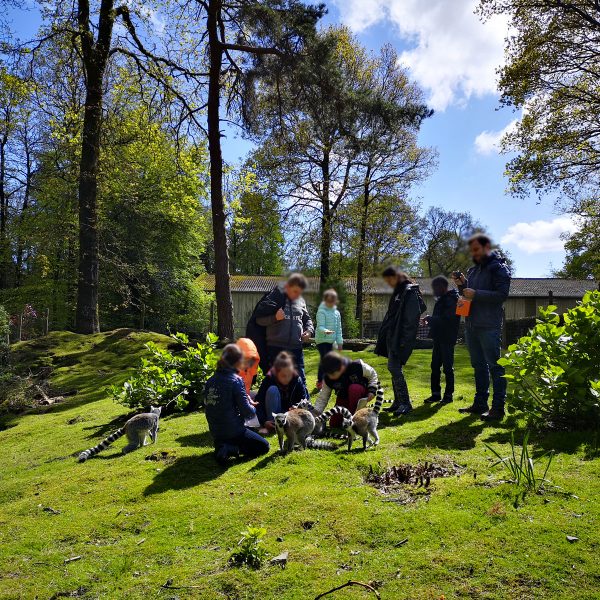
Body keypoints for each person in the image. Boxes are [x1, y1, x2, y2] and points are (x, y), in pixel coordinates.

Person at [453, 233, 511, 422]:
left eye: (477, 249)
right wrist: (463, 286)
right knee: (478, 365)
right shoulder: (473, 270)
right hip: (472, 324)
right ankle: (480, 403)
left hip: (489, 325)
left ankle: (498, 408)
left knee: (495, 366)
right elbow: (469, 295)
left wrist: (476, 293)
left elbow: (502, 295)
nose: (474, 253)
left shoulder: (499, 268)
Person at [203, 344, 269, 466]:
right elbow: (248, 413)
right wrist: (252, 406)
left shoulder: (210, 380)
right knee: (264, 446)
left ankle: (222, 445)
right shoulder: (235, 380)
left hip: (215, 431)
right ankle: (230, 449)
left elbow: (213, 405)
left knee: (243, 430)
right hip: (233, 430)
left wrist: (244, 398)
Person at [374, 267, 425, 416]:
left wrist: (404, 340)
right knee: (394, 368)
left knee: (394, 368)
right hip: (392, 336)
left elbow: (411, 320)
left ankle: (405, 403)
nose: (388, 283)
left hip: (400, 337)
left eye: (389, 279)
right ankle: (398, 402)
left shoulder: (409, 292)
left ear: (396, 277)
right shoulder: (399, 291)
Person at [254, 273, 314, 382]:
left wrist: (309, 331)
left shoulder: (301, 301)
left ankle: (304, 400)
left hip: (296, 348)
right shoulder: (275, 297)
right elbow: (259, 320)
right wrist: (275, 318)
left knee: (300, 380)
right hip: (276, 349)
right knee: (274, 381)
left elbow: (307, 319)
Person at [315, 351, 379, 427]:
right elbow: (323, 398)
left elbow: (372, 374)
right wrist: (316, 414)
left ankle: (358, 417)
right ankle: (349, 416)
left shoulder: (357, 366)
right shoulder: (328, 378)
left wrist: (372, 390)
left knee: (354, 389)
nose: (330, 376)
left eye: (332, 373)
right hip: (343, 396)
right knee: (334, 424)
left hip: (359, 393)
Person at [423, 276, 460, 405]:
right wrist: (430, 321)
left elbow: (448, 319)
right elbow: (440, 319)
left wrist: (430, 319)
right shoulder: (442, 299)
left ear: (442, 287)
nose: (434, 290)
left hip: (447, 338)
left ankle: (448, 395)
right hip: (438, 337)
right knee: (435, 366)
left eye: (435, 288)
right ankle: (435, 394)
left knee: (448, 368)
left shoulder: (452, 300)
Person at [254, 351, 309, 435]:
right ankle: (272, 425)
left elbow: (303, 399)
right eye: (283, 375)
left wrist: (296, 407)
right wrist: (264, 421)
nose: (287, 378)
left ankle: (287, 426)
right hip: (273, 413)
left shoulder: (297, 379)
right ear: (276, 373)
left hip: (288, 416)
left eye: (289, 375)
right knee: (272, 390)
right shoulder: (269, 379)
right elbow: (258, 403)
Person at [315, 288, 343, 389]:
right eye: (329, 300)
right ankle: (320, 381)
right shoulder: (321, 311)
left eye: (333, 300)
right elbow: (320, 326)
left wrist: (340, 342)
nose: (331, 302)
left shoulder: (337, 313)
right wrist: (325, 330)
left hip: (332, 340)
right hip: (322, 340)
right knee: (325, 359)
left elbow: (339, 328)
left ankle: (330, 380)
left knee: (332, 360)